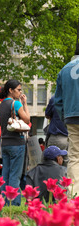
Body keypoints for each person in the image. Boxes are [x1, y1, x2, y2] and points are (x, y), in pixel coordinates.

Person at [0, 79, 31, 206]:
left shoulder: (1, 105)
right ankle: (14, 203)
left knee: (5, 174)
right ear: (10, 90)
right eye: (18, 90)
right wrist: (25, 104)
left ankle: (4, 202)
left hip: (4, 143)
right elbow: (27, 120)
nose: (20, 92)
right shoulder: (16, 104)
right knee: (15, 175)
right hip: (17, 143)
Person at [54, 36, 79, 197]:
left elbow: (58, 101)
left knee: (74, 156)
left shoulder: (64, 70)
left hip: (72, 118)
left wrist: (65, 118)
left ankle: (74, 195)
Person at [45, 95, 68, 164]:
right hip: (73, 137)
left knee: (52, 165)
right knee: (70, 167)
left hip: (58, 137)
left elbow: (47, 114)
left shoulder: (55, 98)